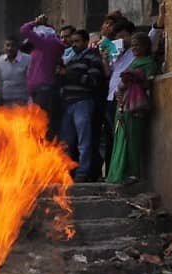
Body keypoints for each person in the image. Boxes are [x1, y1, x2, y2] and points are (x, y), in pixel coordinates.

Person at [106, 33, 157, 184]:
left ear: (146, 46)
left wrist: (133, 79)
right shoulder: (135, 62)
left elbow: (148, 83)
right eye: (133, 45)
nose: (134, 48)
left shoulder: (148, 63)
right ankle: (121, 172)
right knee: (121, 137)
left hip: (135, 107)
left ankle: (133, 173)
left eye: (137, 45)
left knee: (133, 139)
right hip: (123, 105)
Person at [59, 30, 105, 182]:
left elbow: (93, 81)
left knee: (84, 141)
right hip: (68, 103)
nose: (73, 45)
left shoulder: (92, 56)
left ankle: (83, 172)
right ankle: (67, 172)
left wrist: (70, 74)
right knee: (66, 142)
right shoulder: (70, 58)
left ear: (85, 41)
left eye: (77, 41)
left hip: (83, 102)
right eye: (72, 42)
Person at [21, 14, 66, 138]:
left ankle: (44, 150)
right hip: (38, 91)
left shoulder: (46, 44)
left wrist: (35, 22)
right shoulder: (46, 47)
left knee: (42, 125)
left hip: (44, 90)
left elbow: (24, 30)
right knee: (38, 125)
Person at [0, 36, 31, 105]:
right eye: (7, 45)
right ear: (4, 46)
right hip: (5, 101)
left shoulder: (28, 59)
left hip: (22, 101)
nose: (10, 48)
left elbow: (30, 80)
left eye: (13, 46)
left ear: (18, 47)